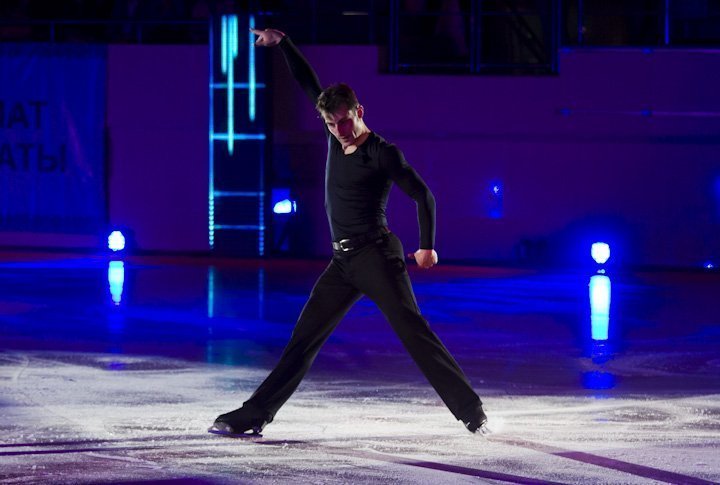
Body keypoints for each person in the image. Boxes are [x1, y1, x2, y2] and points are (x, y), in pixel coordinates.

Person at [209, 28, 488, 436]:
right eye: (330, 122)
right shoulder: (332, 134)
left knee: (413, 332)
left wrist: (427, 246)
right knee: (302, 340)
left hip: (377, 256)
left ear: (360, 110)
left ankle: (471, 411)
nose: (339, 129)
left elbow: (423, 196)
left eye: (344, 120)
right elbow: (308, 82)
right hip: (342, 262)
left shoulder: (382, 152)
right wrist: (284, 42)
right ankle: (255, 415)